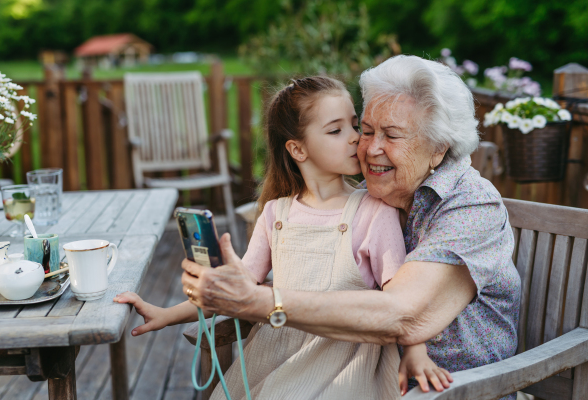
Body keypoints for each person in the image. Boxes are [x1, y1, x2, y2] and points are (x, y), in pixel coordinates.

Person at [176, 56, 521, 400]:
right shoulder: (373, 199)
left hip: (455, 390)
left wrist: (260, 300)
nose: (369, 148)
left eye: (392, 135)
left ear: (438, 149)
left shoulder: (470, 207)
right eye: (368, 130)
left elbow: (403, 312)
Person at [115, 76, 453, 399]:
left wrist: (416, 352)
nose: (354, 138)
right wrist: (164, 314)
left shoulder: (373, 212)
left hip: (343, 364)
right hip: (273, 356)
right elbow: (236, 287)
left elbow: (401, 303)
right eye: (336, 130)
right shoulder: (276, 214)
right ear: (298, 150)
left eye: (354, 125)